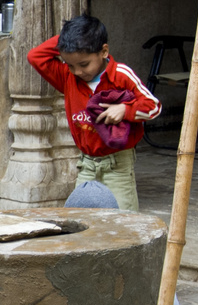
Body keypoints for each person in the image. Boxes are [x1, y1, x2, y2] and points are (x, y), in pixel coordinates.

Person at [27, 14, 160, 212]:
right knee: (81, 219)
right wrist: (68, 37)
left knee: (125, 221)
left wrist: (125, 109)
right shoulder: (67, 77)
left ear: (104, 51)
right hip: (86, 164)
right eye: (70, 65)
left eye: (84, 64)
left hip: (118, 164)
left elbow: (154, 106)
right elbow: (35, 56)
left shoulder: (121, 75)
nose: (77, 72)